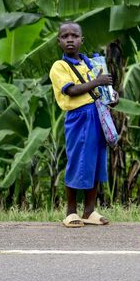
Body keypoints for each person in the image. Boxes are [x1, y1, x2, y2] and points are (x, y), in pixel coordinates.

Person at [48, 21, 113, 227]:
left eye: (74, 36)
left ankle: (90, 210)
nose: (70, 39)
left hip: (97, 114)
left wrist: (112, 96)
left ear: (81, 40)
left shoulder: (91, 64)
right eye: (65, 36)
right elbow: (72, 90)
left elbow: (99, 91)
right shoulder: (60, 67)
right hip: (78, 117)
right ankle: (70, 211)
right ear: (59, 41)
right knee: (77, 161)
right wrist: (98, 82)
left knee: (95, 163)